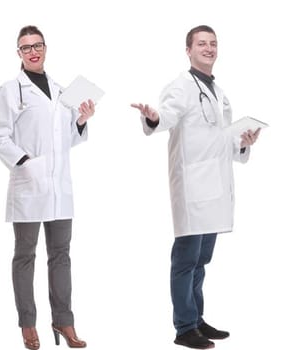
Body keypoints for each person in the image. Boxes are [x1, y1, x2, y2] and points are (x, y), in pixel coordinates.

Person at [130, 25, 259, 350]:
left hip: (215, 187)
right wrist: (153, 117)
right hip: (192, 186)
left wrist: (243, 142)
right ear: (188, 50)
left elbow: (226, 141)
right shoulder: (180, 88)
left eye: (213, 43)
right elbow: (166, 117)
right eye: (201, 43)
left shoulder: (220, 92)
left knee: (201, 260)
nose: (209, 48)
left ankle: (197, 319)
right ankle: (184, 327)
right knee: (186, 260)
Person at [0, 25, 95, 350]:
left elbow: (68, 139)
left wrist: (81, 120)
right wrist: (25, 163)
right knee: (25, 255)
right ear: (18, 54)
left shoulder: (64, 91)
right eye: (25, 48)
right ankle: (28, 325)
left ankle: (64, 321)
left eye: (37, 45)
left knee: (61, 255)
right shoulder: (9, 90)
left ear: (46, 48)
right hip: (29, 186)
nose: (33, 51)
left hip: (60, 188)